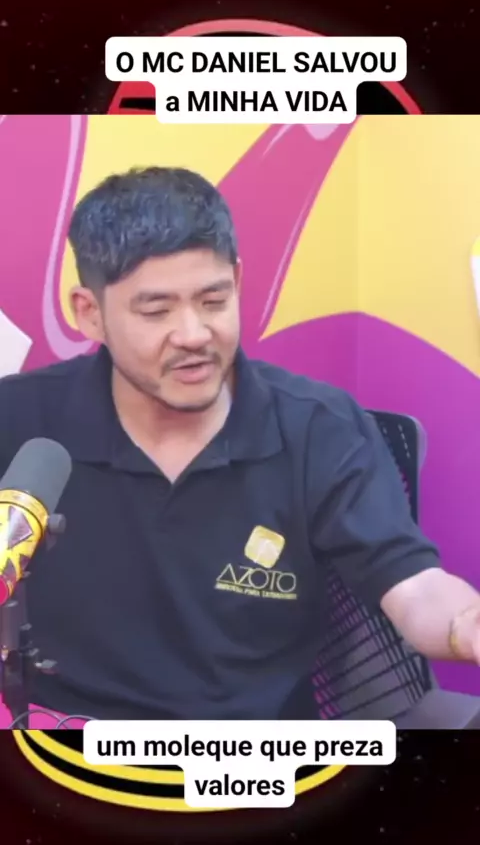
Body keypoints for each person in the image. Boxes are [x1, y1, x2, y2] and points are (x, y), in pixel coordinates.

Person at [0, 166, 479, 722]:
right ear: (90, 313)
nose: (194, 334)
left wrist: (465, 624)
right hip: (68, 744)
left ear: (238, 282)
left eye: (213, 300)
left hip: (257, 754)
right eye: (156, 311)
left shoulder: (318, 427)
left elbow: (413, 585)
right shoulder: (19, 420)